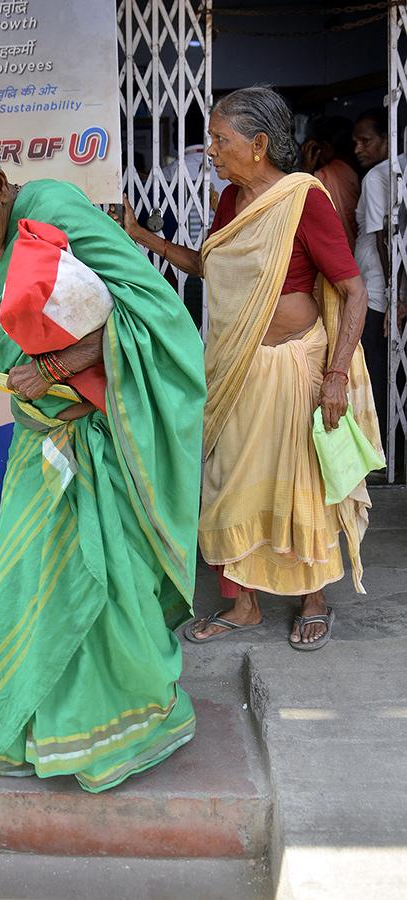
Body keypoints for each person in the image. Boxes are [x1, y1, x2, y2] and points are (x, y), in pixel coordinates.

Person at [0, 127, 206, 792]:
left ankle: (128, 726)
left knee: (107, 589)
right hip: (39, 443)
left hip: (96, 442)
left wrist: (56, 363)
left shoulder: (52, 209)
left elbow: (155, 316)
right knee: (36, 588)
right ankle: (50, 727)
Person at [115, 86, 382, 650]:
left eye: (219, 140)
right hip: (236, 366)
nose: (209, 150)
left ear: (259, 145)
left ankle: (312, 599)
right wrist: (140, 237)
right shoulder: (230, 202)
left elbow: (354, 291)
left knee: (300, 485)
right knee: (229, 482)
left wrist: (335, 376)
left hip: (296, 368)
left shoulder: (303, 199)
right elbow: (207, 267)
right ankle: (245, 605)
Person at [352, 108, 407, 447]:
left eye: (366, 141)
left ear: (389, 140)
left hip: (377, 290)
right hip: (391, 288)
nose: (358, 148)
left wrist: (392, 294)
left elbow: (383, 238)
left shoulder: (379, 176)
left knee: (378, 370)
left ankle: (382, 447)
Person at [301, 115, 360, 250]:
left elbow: (302, 201)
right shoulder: (354, 165)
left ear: (326, 147)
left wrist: (305, 169)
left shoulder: (326, 175)